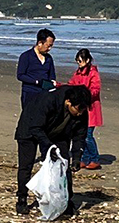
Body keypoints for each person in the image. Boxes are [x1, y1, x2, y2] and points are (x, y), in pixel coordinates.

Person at [14, 84, 91, 216]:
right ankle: (22, 199)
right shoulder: (48, 100)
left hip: (58, 133)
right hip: (30, 128)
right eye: (78, 109)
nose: (80, 113)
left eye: (83, 110)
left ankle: (66, 201)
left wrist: (77, 157)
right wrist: (49, 147)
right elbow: (36, 128)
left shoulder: (81, 111)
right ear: (68, 102)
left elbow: (80, 136)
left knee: (63, 165)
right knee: (25, 166)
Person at [68, 48, 104, 170]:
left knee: (88, 135)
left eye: (80, 61)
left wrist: (83, 95)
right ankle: (84, 158)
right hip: (80, 109)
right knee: (80, 134)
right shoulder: (77, 73)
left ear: (87, 60)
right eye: (77, 61)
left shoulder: (93, 73)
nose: (79, 64)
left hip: (91, 108)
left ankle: (95, 159)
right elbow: (71, 85)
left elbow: (95, 89)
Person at [16, 28, 57, 108]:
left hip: (44, 94)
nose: (49, 49)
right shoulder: (26, 56)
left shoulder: (49, 58)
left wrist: (52, 84)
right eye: (48, 46)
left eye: (51, 46)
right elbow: (20, 75)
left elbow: (52, 76)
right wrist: (36, 82)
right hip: (29, 92)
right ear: (40, 43)